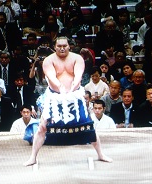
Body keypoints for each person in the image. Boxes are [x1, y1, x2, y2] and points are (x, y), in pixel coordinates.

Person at [24, 36, 113, 166]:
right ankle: (33, 157)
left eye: (64, 46)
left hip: (75, 96)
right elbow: (51, 76)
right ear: (54, 47)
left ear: (69, 46)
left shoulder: (77, 58)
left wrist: (72, 87)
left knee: (89, 125)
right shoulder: (48, 60)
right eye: (59, 46)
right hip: (55, 97)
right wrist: (59, 87)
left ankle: (100, 154)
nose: (62, 48)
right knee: (42, 126)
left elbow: (78, 75)